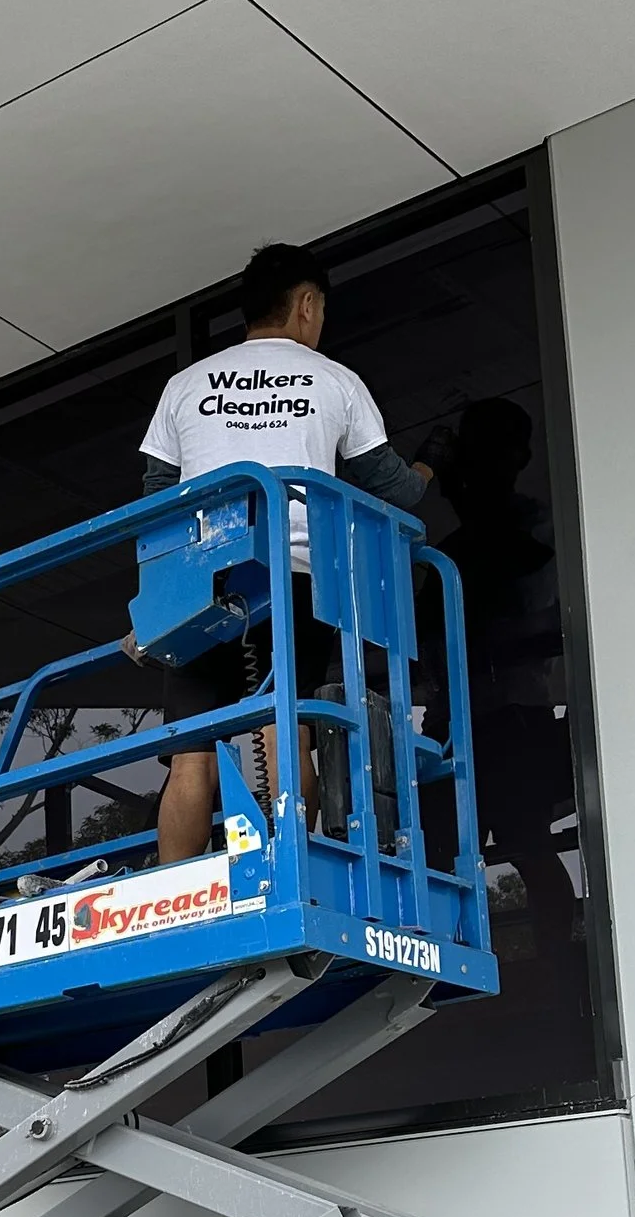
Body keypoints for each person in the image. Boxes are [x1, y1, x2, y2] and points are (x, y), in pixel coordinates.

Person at [134, 243, 430, 864]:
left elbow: (157, 500)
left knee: (191, 753)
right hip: (291, 577)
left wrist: (155, 603)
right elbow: (396, 489)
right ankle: (290, 869)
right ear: (307, 303)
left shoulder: (185, 386)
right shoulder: (335, 380)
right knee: (284, 729)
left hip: (200, 581)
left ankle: (174, 888)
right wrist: (433, 466)